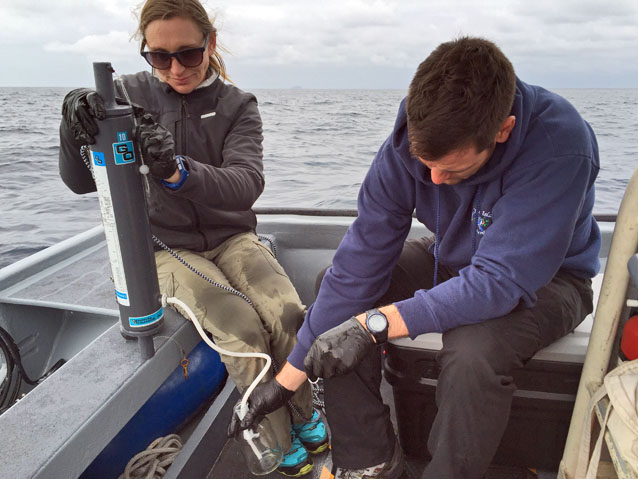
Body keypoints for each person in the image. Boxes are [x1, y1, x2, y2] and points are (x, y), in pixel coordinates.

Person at [230, 37, 601, 479]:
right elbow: (357, 269)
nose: (435, 181)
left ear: (502, 130)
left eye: (454, 171)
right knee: (336, 290)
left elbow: (499, 281)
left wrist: (375, 324)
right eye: (425, 164)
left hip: (549, 280)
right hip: (454, 258)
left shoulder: (559, 143)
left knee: (473, 351)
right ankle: (369, 462)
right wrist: (285, 382)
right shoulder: (407, 141)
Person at [57, 0, 328, 476]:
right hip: (166, 246)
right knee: (241, 329)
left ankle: (306, 414)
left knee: (288, 315)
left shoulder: (237, 105)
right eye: (160, 57)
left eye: (188, 53)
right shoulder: (123, 97)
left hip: (232, 237)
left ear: (211, 45)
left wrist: (178, 172)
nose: (175, 68)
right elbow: (82, 183)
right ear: (145, 53)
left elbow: (246, 182)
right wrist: (71, 127)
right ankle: (278, 445)